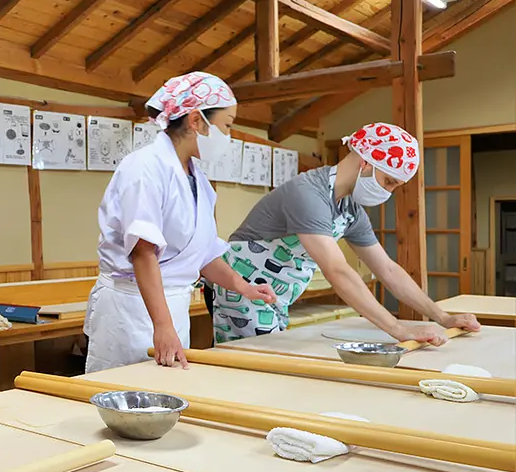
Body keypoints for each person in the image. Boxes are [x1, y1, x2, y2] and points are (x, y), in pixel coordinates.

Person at [211, 122, 481, 344]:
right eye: (388, 181)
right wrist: (398, 329)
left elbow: (387, 269)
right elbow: (337, 271)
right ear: (365, 162)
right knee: (252, 370)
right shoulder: (308, 194)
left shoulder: (349, 209)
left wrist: (442, 317)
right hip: (241, 290)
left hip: (275, 296)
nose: (388, 191)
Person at [84, 72, 276, 373]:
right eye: (227, 125)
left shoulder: (197, 178)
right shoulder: (145, 168)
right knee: (123, 398)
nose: (229, 135)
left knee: (166, 398)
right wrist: (161, 325)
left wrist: (244, 286)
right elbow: (142, 252)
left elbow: (202, 253)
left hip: (172, 308)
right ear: (196, 121)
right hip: (132, 309)